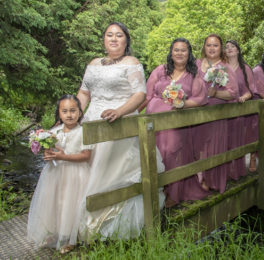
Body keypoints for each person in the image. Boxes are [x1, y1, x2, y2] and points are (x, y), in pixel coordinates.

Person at [76, 22, 165, 241]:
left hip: (119, 120)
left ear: (126, 41)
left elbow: (139, 95)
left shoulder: (131, 63)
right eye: (109, 35)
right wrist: (74, 113)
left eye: (119, 35)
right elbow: (84, 92)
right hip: (91, 120)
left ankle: (106, 223)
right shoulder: (93, 63)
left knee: (110, 169)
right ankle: (79, 218)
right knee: (86, 166)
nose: (113, 39)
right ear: (104, 39)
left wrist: (119, 111)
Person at [145, 38, 209, 208]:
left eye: (183, 50)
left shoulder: (194, 74)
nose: (179, 53)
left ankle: (175, 192)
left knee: (173, 153)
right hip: (155, 125)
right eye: (176, 50)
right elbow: (147, 95)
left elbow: (200, 98)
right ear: (171, 52)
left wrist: (183, 104)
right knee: (157, 154)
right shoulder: (161, 70)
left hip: (177, 124)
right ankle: (158, 189)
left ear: (189, 54)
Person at [27, 95, 92, 254]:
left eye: (73, 110)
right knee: (56, 202)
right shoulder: (53, 132)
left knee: (72, 204)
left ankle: (71, 238)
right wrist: (48, 154)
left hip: (75, 174)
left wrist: (63, 156)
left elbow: (86, 156)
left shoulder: (83, 132)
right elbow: (50, 151)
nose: (69, 115)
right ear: (59, 113)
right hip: (55, 174)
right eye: (65, 111)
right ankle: (55, 233)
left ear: (79, 111)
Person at [193, 34, 239, 193]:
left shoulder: (226, 67)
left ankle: (209, 179)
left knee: (212, 149)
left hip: (215, 116)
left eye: (215, 45)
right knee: (196, 147)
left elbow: (233, 93)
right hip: (195, 114)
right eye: (209, 45)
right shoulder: (196, 64)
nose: (212, 48)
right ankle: (196, 180)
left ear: (221, 49)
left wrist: (216, 94)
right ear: (204, 47)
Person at [225, 40, 256, 174]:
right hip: (223, 109)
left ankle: (247, 162)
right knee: (226, 140)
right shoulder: (221, 67)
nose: (230, 49)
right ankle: (225, 169)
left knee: (242, 138)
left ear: (238, 50)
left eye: (233, 47)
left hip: (240, 107)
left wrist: (243, 97)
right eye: (227, 47)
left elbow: (250, 90)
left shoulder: (245, 68)